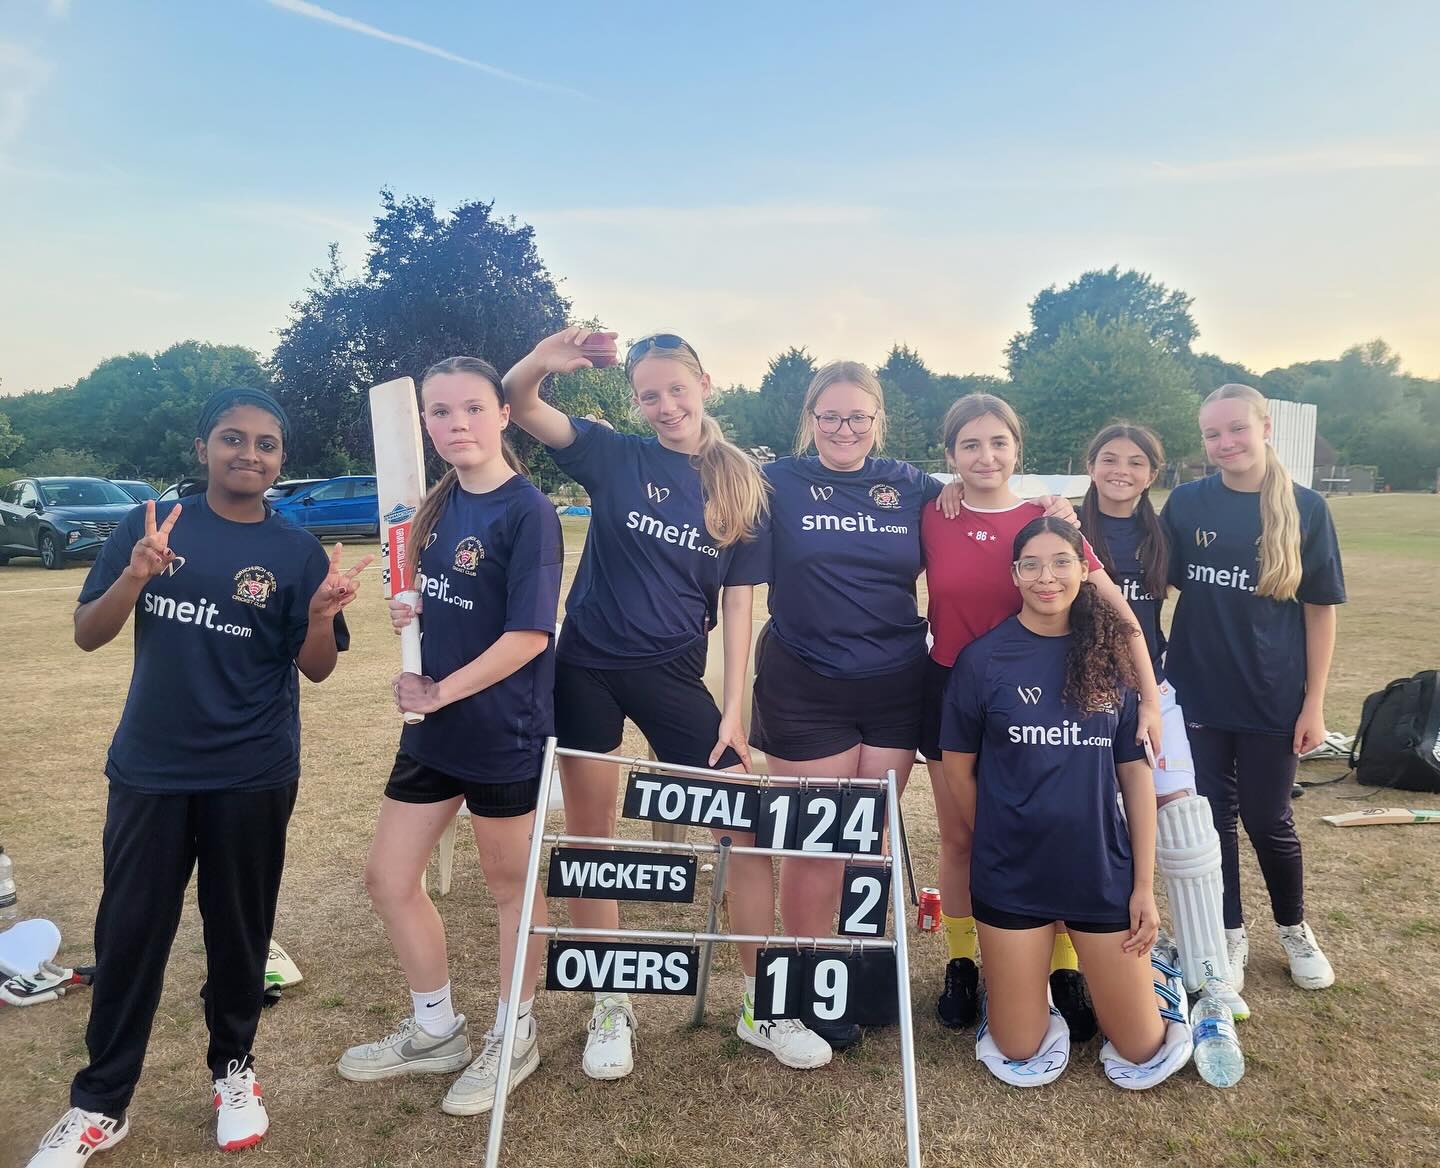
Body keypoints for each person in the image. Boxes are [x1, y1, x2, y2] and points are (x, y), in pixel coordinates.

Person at [26, 388, 367, 1167]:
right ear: (202, 447)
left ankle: (234, 1071)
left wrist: (319, 614)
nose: (249, 454)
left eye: (266, 444)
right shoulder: (148, 528)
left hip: (252, 772)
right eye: (232, 439)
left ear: (282, 459)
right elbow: (87, 636)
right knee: (130, 935)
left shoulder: (296, 550)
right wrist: (135, 577)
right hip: (150, 768)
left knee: (238, 933)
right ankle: (99, 1104)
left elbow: (316, 670)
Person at [502, 327, 831, 1074]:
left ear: (706, 384)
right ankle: (609, 1007)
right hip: (584, 665)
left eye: (676, 390)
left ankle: (760, 1005)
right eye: (649, 395)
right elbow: (518, 405)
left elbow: (743, 605)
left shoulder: (743, 482)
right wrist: (540, 362)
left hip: (673, 675)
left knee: (742, 832)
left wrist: (736, 709)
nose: (664, 406)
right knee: (594, 840)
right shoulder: (616, 454)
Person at [336, 357, 563, 1116]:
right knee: (388, 878)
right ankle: (436, 1029)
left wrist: (440, 689)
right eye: (439, 412)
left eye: (471, 408)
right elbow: (443, 597)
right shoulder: (431, 507)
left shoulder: (528, 511)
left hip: (503, 731)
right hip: (434, 731)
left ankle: (514, 1030)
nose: (455, 423)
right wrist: (414, 612)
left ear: (504, 415)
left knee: (510, 891)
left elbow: (529, 635)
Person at [919, 393, 1162, 1037]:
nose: (985, 456)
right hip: (959, 688)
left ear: (1017, 450)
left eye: (998, 443)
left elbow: (1119, 615)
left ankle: (1061, 966)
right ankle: (964, 961)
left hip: (1050, 688)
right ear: (950, 456)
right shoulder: (933, 513)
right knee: (965, 837)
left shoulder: (1047, 520)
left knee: (1050, 832)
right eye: (969, 445)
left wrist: (1153, 701)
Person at [940, 517, 1192, 1090]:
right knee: (1020, 1053)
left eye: (1061, 562)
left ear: (1085, 570)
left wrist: (1143, 887)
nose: (1046, 577)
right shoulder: (984, 660)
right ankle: (1014, 996)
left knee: (1141, 1050)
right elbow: (958, 767)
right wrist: (999, 835)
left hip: (1099, 870)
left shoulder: (1112, 660)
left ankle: (1163, 980)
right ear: (1014, 574)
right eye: (1031, 564)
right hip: (1012, 873)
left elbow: (1135, 777)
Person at [1161, 384, 1345, 991]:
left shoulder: (1307, 508)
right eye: (1212, 434)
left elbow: (1320, 610)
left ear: (1265, 428)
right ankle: (1228, 934)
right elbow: (1145, 576)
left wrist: (1313, 703)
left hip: (1274, 697)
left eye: (1236, 429)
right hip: (1199, 694)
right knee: (1213, 820)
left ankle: (1293, 929)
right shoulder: (1187, 504)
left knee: (1270, 820)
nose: (1224, 444)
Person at [1079, 423, 1247, 1017]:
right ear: (1091, 464)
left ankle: (1210, 972)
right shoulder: (1065, 523)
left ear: (1154, 473)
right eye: (1108, 459)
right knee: (1094, 822)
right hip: (1079, 693)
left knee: (1183, 819)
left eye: (1135, 462)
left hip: (1155, 690)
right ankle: (1090, 961)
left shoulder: (1164, 534)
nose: (1120, 470)